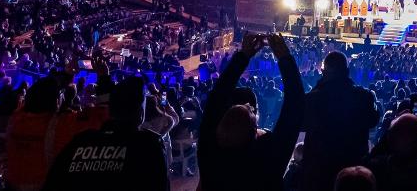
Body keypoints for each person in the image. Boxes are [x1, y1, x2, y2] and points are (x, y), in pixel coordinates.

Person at [197, 32, 304, 191]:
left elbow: (216, 98)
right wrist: (284, 57)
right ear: (255, 131)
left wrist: (243, 56)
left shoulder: (209, 152)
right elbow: (295, 106)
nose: (248, 104)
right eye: (251, 111)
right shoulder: (270, 158)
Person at [42, 77, 170, 191]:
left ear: (110, 109)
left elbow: (52, 182)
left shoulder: (81, 140)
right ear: (141, 112)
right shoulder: (149, 144)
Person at [303, 49, 380, 191]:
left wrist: (319, 86)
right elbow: (373, 120)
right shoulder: (363, 97)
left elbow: (301, 123)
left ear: (324, 72)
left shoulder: (314, 98)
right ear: (347, 71)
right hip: (353, 172)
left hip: (320, 173)